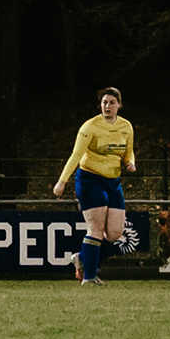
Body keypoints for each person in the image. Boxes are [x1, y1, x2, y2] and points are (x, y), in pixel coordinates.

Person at [50, 86, 141, 285]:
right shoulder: (90, 127)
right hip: (90, 180)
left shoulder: (126, 126)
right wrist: (62, 181)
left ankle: (82, 258)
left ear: (119, 105)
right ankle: (89, 277)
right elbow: (75, 155)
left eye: (112, 102)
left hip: (113, 182)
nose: (107, 106)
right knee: (96, 229)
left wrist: (130, 162)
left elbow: (129, 152)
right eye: (104, 102)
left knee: (115, 234)